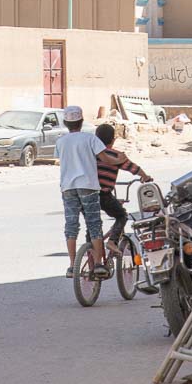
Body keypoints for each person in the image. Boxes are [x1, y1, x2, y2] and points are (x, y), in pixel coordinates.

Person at [55, 105, 116, 279]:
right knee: (94, 223)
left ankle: (72, 265)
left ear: (66, 123)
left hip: (68, 187)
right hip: (88, 186)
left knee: (71, 225)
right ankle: (97, 264)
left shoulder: (61, 141)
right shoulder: (90, 138)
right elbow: (105, 158)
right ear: (81, 122)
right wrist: (118, 160)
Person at [94, 123, 151, 254]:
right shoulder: (117, 156)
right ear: (113, 140)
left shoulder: (92, 153)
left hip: (88, 195)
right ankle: (112, 241)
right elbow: (134, 169)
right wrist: (145, 177)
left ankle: (91, 248)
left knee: (92, 224)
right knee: (122, 216)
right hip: (104, 196)